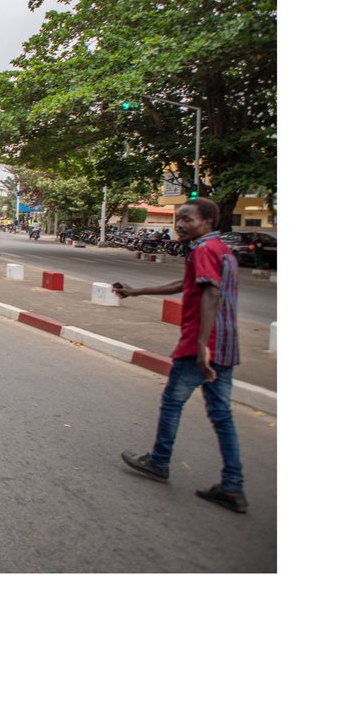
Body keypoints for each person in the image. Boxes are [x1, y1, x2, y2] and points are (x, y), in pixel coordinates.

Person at [116, 198, 248, 513]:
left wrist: (202, 345)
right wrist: (137, 292)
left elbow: (211, 293)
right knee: (221, 415)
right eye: (178, 218)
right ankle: (233, 486)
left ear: (207, 221)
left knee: (173, 402)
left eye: (187, 218)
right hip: (227, 345)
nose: (180, 224)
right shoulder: (221, 250)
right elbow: (186, 285)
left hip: (202, 345)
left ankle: (159, 461)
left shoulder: (203, 250)